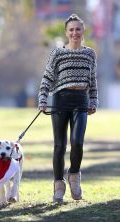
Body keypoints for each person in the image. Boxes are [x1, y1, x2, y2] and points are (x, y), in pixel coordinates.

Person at [38, 14, 98, 202]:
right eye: (71, 30)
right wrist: (42, 98)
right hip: (60, 100)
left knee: (77, 142)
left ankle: (74, 176)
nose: (74, 33)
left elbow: (93, 81)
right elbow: (47, 76)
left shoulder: (90, 54)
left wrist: (94, 100)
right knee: (59, 146)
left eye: (78, 29)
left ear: (83, 31)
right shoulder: (58, 53)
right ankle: (58, 186)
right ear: (66, 32)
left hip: (81, 101)